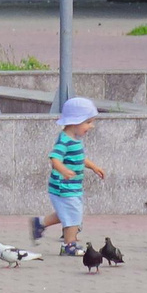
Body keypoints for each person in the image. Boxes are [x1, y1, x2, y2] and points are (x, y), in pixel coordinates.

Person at [30, 97, 105, 258]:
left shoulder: (75, 140)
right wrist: (63, 170)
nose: (91, 126)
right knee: (73, 215)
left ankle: (40, 223)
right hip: (63, 186)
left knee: (66, 213)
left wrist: (93, 167)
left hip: (72, 186)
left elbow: (79, 158)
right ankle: (69, 246)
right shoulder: (64, 140)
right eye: (88, 122)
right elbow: (54, 158)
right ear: (75, 122)